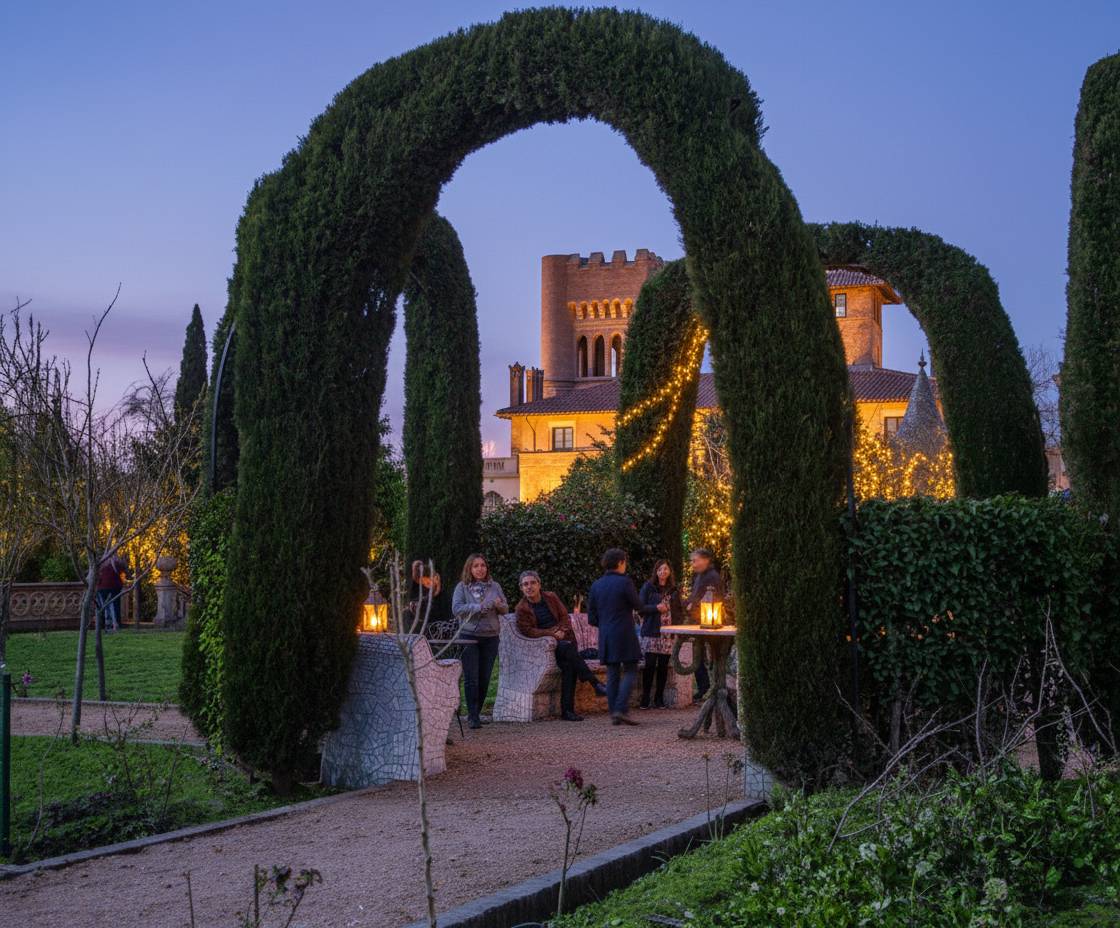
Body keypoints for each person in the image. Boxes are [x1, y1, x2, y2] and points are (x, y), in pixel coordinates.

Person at [514, 571, 607, 721]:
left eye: (532, 583)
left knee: (569, 665)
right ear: (521, 588)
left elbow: (565, 617)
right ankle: (594, 683)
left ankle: (567, 711)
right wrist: (552, 634)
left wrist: (562, 631)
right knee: (568, 649)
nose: (529, 587)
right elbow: (528, 631)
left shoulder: (551, 597)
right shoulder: (522, 608)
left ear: (539, 584)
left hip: (564, 641)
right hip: (543, 648)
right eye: (525, 584)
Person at [587, 548, 661, 725]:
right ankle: (620, 709)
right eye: (625, 562)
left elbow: (591, 618)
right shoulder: (624, 582)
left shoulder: (596, 585)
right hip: (624, 633)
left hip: (606, 635)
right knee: (630, 669)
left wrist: (605, 626)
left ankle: (614, 713)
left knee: (612, 673)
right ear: (620, 562)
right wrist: (657, 608)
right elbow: (639, 606)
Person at [451, 553, 508, 729]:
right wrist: (478, 607)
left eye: (482, 565)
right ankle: (473, 716)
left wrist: (499, 605)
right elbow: (456, 609)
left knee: (484, 678)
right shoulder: (462, 587)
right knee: (471, 678)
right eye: (476, 566)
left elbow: (505, 608)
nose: (480, 569)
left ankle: (476, 711)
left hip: (491, 637)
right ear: (470, 568)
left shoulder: (495, 586)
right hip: (469, 637)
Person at [638, 559, 684, 708]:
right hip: (652, 631)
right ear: (656, 572)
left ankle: (659, 699)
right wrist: (656, 608)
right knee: (650, 665)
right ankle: (645, 698)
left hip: (668, 633)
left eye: (665, 569)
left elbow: (679, 611)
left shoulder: (674, 590)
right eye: (660, 569)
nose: (663, 572)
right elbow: (640, 608)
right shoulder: (648, 587)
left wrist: (678, 628)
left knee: (663, 666)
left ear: (670, 571)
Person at [685, 548, 723, 698]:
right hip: (701, 619)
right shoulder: (701, 576)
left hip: (709, 620)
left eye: (695, 560)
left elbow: (706, 597)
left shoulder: (711, 577)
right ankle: (704, 686)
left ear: (705, 560)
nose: (693, 564)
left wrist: (691, 605)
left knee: (709, 654)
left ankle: (711, 687)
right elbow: (695, 595)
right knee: (698, 654)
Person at [95, 552, 129, 632]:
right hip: (113, 587)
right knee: (113, 606)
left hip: (103, 588)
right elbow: (123, 570)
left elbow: (98, 576)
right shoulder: (115, 563)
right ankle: (115, 624)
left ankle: (108, 624)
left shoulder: (102, 563)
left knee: (106, 607)